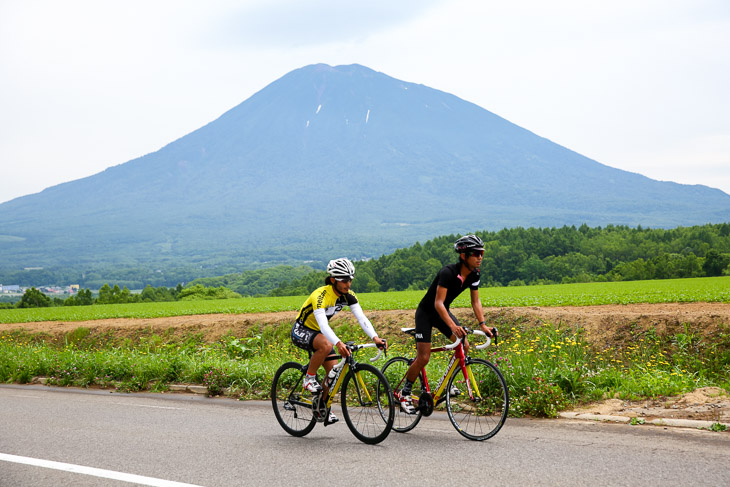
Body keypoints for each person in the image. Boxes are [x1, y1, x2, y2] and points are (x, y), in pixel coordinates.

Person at [398, 234, 495, 414]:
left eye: (481, 252)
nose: (480, 256)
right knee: (424, 357)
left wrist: (483, 325)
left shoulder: (474, 275)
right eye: (475, 253)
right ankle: (405, 393)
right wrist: (452, 326)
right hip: (426, 313)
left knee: (464, 345)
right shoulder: (448, 272)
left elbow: (476, 302)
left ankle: (447, 384)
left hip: (441, 314)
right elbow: (438, 303)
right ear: (463, 255)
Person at [291, 257, 387, 423]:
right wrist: (338, 343)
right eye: (344, 280)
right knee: (326, 345)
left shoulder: (348, 295)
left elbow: (361, 318)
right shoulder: (320, 295)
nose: (348, 284)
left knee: (333, 373)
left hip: (321, 334)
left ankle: (323, 407)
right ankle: (309, 378)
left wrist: (375, 337)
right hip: (302, 330)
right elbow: (323, 325)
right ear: (333, 280)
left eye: (350, 280)